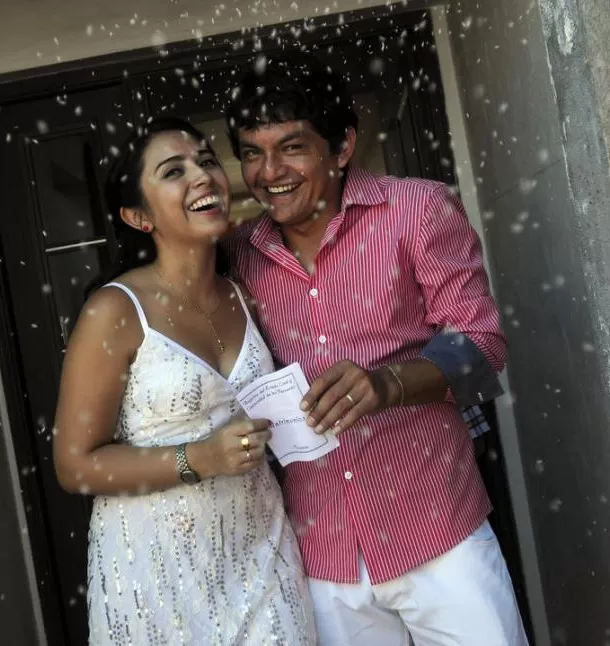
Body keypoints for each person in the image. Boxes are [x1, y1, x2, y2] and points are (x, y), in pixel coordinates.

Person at [223, 53, 529, 645]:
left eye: (292, 147)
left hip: (437, 528)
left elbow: (483, 346)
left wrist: (388, 384)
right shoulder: (239, 255)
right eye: (252, 152)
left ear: (342, 148)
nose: (269, 171)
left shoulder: (415, 209)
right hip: (321, 549)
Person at [52, 117, 316, 645]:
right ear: (137, 215)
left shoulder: (244, 291)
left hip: (264, 556)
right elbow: (75, 464)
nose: (203, 176)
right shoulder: (115, 311)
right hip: (157, 577)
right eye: (175, 171)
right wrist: (197, 459)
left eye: (207, 161)